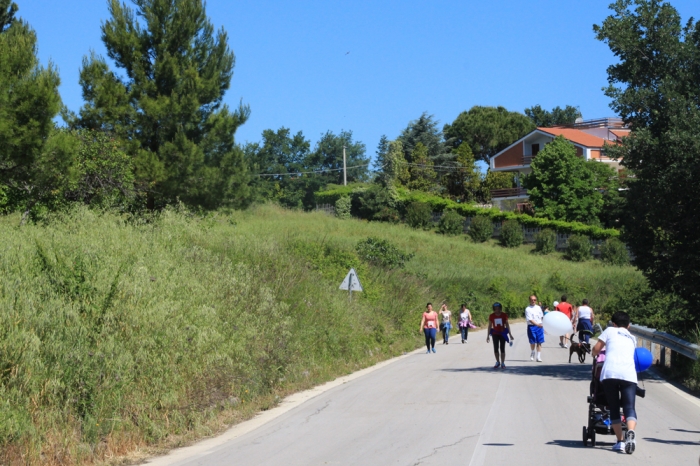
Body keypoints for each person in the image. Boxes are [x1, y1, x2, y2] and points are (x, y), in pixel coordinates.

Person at [591, 311, 638, 454]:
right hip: (629, 374)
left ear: (614, 323)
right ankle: (631, 431)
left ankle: (620, 441)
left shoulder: (610, 330)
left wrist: (594, 353)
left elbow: (597, 349)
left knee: (614, 408)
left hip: (610, 373)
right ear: (628, 326)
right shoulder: (632, 337)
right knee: (629, 407)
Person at [486, 303, 514, 369]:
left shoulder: (504, 315)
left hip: (502, 333)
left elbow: (507, 324)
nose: (497, 310)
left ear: (500, 308)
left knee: (502, 348)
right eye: (495, 309)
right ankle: (497, 361)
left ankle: (503, 363)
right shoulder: (491, 316)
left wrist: (510, 334)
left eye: (498, 308)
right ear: (494, 309)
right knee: (496, 348)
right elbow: (490, 325)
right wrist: (487, 336)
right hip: (495, 333)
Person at [525, 295, 544, 362]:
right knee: (532, 341)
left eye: (535, 300)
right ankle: (532, 352)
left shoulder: (538, 308)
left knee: (539, 341)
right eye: (532, 300)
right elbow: (530, 319)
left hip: (539, 326)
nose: (533, 301)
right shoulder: (528, 309)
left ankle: (538, 356)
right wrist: (537, 324)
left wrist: (542, 324)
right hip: (531, 327)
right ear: (529, 300)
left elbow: (541, 317)